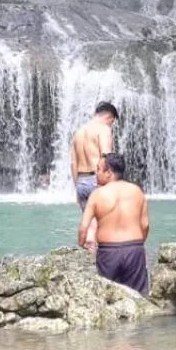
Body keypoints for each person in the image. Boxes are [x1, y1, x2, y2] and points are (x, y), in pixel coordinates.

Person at [79, 152, 149, 295]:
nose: (96, 173)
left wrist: (82, 243)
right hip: (134, 250)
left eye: (98, 169)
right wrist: (138, 246)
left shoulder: (97, 195)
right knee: (140, 300)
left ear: (109, 172)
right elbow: (145, 225)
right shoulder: (137, 191)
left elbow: (83, 228)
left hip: (108, 252)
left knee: (107, 299)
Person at [69, 102, 118, 249]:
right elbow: (106, 156)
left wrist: (76, 187)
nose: (111, 125)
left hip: (81, 182)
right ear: (109, 117)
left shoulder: (78, 132)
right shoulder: (103, 129)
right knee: (104, 224)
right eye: (112, 122)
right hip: (97, 180)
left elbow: (73, 163)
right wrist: (110, 184)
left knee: (90, 223)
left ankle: (90, 257)